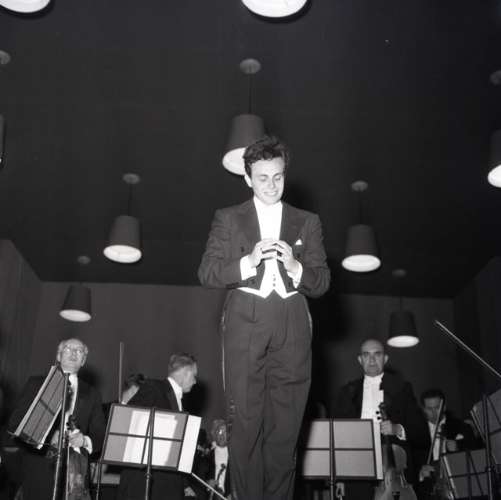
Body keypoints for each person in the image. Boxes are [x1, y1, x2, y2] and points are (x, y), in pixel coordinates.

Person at [199, 135, 330, 500]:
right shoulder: (228, 218)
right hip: (246, 321)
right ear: (247, 179)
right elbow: (207, 273)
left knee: (286, 432)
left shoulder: (307, 221)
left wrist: (295, 267)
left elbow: (322, 282)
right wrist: (248, 262)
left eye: (278, 176)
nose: (271, 185)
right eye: (262, 178)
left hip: (292, 322)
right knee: (244, 428)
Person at [7, 338, 106, 500]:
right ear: (59, 356)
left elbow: (100, 434)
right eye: (68, 349)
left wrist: (84, 440)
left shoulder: (92, 394)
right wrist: (46, 435)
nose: (73, 353)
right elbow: (15, 423)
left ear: (83, 361)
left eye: (79, 351)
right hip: (39, 465)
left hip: (75, 470)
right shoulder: (37, 384)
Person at [333, 338, 429, 498]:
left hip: (394, 471)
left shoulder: (402, 388)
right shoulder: (347, 392)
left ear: (385, 358)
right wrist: (340, 478)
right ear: (360, 360)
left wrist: (397, 429)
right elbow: (340, 438)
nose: (371, 360)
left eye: (377, 354)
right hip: (357, 470)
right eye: (366, 355)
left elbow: (422, 432)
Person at [117, 353, 198, 500]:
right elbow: (129, 420)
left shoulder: (178, 400)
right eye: (194, 376)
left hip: (166, 485)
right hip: (144, 483)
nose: (195, 381)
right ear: (186, 372)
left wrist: (184, 484)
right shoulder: (154, 387)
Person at [417, 388, 476, 498]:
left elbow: (476, 447)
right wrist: (420, 474)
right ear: (423, 409)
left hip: (458, 486)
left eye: (437, 408)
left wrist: (458, 445)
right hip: (429, 491)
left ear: (444, 407)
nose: (434, 413)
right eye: (429, 409)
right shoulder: (417, 432)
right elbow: (412, 463)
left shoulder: (460, 426)